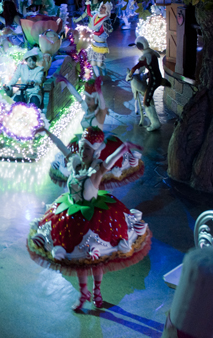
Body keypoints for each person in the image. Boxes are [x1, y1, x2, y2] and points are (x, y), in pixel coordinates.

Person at [28, 126, 151, 311]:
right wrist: (46, 131)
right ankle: (83, 293)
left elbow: (110, 161)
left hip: (94, 219)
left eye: (87, 148)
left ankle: (97, 291)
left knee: (95, 260)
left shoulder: (97, 171)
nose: (83, 151)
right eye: (82, 147)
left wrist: (124, 147)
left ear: (96, 151)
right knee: (78, 260)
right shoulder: (76, 163)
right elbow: (62, 146)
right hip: (71, 215)